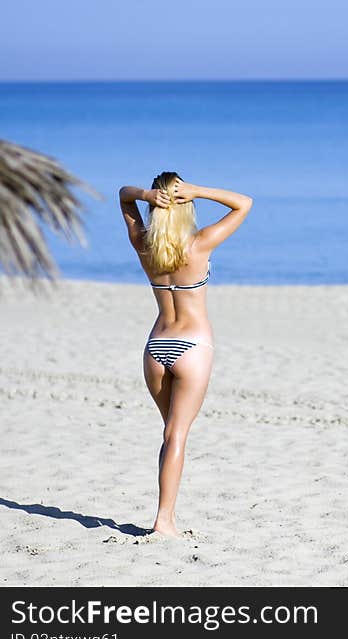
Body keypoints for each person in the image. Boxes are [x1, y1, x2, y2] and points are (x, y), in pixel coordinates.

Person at [119, 173, 252, 537]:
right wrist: (199, 190)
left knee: (170, 434)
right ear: (184, 205)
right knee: (176, 436)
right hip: (192, 346)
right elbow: (244, 203)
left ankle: (166, 514)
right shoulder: (199, 244)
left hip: (156, 347)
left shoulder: (144, 246)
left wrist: (146, 194)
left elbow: (123, 196)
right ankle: (164, 520)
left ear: (154, 206)